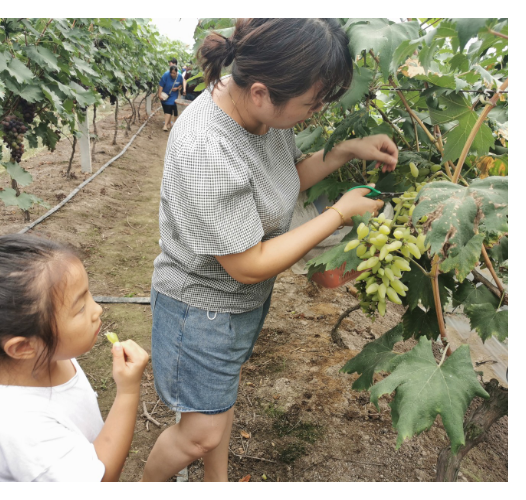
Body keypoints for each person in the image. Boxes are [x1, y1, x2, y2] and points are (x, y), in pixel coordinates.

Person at [142, 18, 396, 482]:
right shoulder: (209, 147)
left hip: (237, 308)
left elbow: (280, 184)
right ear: (261, 91)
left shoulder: (263, 114)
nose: (315, 112)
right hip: (199, 311)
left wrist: (344, 151)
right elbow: (247, 265)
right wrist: (337, 214)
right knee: (199, 433)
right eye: (310, 103)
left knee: (216, 406)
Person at [0, 222, 150, 482]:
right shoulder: (19, 428)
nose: (98, 310)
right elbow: (101, 480)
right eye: (80, 308)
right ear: (24, 346)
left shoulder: (50, 356)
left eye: (88, 295)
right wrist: (127, 391)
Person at [158, 64, 184, 131]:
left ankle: (165, 125)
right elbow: (161, 85)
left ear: (176, 72)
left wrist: (177, 88)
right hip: (165, 94)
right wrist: (159, 94)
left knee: (169, 107)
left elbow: (181, 84)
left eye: (174, 73)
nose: (172, 74)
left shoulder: (180, 76)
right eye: (171, 73)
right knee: (166, 108)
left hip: (173, 95)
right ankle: (169, 123)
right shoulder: (166, 75)